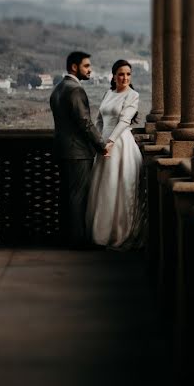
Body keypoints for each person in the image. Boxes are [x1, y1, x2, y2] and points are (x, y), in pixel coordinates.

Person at [50, 51, 105, 249]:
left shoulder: (58, 89)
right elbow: (85, 123)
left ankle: (66, 238)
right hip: (78, 153)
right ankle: (77, 242)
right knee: (77, 197)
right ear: (74, 67)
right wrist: (102, 144)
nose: (90, 70)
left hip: (62, 150)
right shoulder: (75, 90)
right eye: (86, 66)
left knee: (66, 195)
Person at [86, 59, 144, 249]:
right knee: (104, 187)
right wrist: (98, 141)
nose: (125, 77)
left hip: (120, 145)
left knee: (118, 187)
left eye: (128, 74)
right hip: (103, 144)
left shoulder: (133, 95)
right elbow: (99, 120)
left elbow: (125, 121)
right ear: (113, 76)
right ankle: (101, 233)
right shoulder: (108, 93)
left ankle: (118, 233)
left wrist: (110, 143)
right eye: (121, 74)